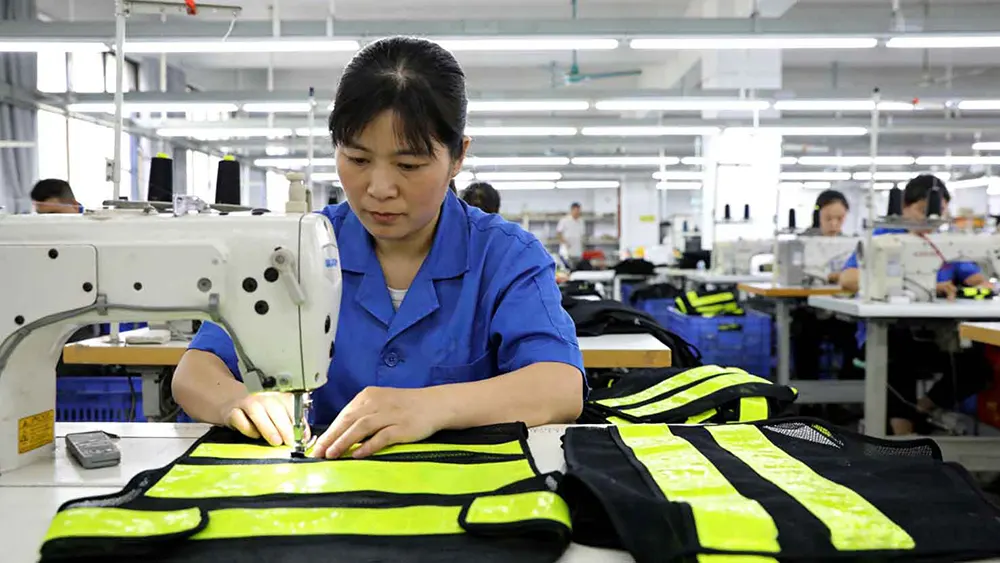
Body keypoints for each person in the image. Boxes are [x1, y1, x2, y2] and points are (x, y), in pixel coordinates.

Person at [172, 36, 586, 459]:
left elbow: (560, 385)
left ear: (458, 156)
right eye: (357, 159)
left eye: (409, 165)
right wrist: (237, 401)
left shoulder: (505, 256)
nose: (380, 188)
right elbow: (196, 370)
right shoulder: (293, 249)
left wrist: (432, 407)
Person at [840, 174, 993, 435]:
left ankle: (921, 409)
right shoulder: (883, 239)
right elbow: (848, 279)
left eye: (938, 212)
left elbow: (979, 280)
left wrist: (974, 288)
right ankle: (903, 435)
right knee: (897, 351)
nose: (931, 218)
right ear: (905, 207)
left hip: (936, 337)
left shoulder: (946, 244)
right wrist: (921, 286)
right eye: (924, 210)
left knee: (978, 365)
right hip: (887, 334)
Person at [791, 189, 858, 381]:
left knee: (855, 342)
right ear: (817, 215)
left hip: (842, 311)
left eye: (840, 218)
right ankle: (806, 389)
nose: (834, 224)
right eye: (828, 218)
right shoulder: (802, 243)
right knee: (803, 336)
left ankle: (848, 390)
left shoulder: (851, 244)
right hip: (809, 309)